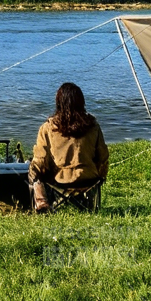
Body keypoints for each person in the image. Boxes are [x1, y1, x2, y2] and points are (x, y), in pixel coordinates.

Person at [30, 82, 110, 212]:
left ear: (58, 103)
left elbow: (41, 160)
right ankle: (87, 202)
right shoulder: (93, 126)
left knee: (34, 168)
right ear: (81, 102)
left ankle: (41, 202)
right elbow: (103, 156)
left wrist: (36, 172)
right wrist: (101, 175)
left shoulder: (48, 128)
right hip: (89, 179)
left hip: (60, 180)